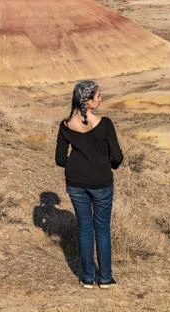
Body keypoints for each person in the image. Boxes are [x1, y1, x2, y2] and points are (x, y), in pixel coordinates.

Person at [55, 80, 123, 289]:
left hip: (76, 183)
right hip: (101, 182)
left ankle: (86, 277)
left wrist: (77, 165)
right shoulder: (105, 124)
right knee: (101, 228)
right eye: (98, 96)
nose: (101, 99)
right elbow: (117, 157)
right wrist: (104, 165)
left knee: (85, 228)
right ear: (89, 100)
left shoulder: (66, 125)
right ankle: (104, 278)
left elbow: (60, 159)